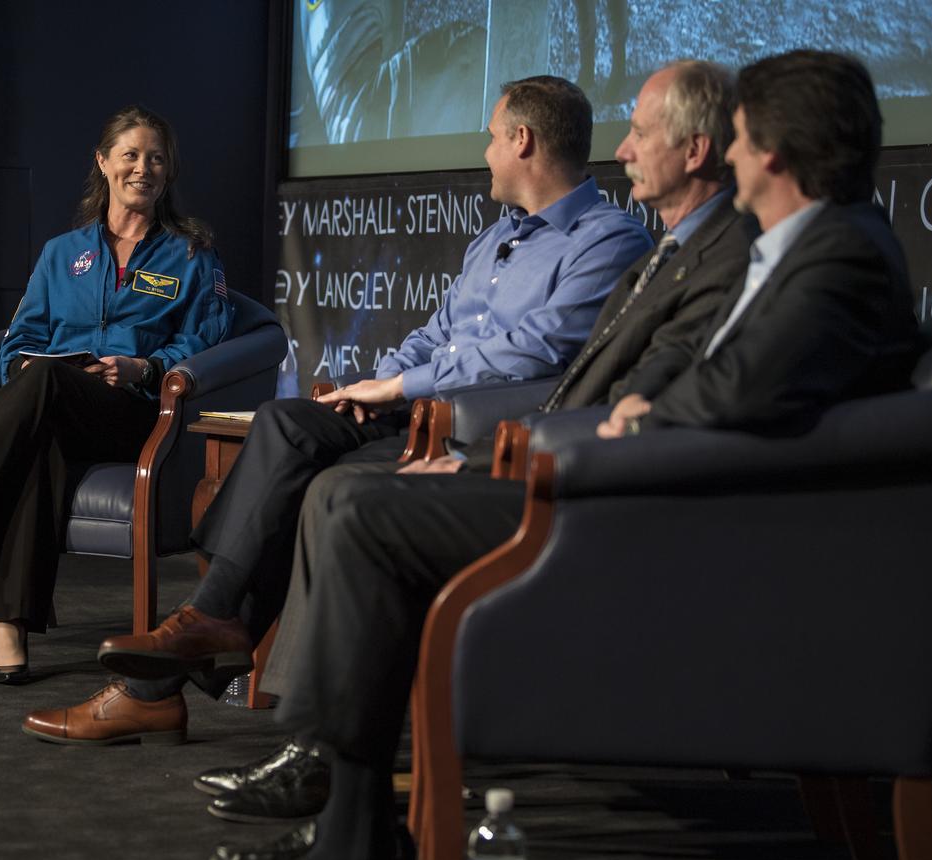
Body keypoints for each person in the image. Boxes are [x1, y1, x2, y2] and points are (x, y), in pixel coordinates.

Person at [189, 50, 921, 860]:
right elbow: (708, 382)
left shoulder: (835, 251)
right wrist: (596, 421)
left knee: (360, 507)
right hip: (620, 480)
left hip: (645, 521)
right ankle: (345, 815)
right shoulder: (788, 245)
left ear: (767, 149)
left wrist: (620, 420)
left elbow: (729, 397)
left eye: (737, 136)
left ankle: (343, 819)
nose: (723, 151)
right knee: (350, 494)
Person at [201, 59, 758, 817]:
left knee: (347, 495)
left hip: (558, 470)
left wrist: (477, 448)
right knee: (297, 429)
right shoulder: (660, 248)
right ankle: (241, 658)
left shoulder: (654, 246)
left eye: (637, 133)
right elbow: (493, 351)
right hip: (513, 439)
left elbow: (570, 370)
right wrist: (387, 386)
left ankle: (321, 757)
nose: (622, 151)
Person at [22, 75, 652, 742]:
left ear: (522, 140)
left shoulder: (606, 239)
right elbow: (433, 333)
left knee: (316, 484)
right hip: (412, 407)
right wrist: (375, 382)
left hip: (477, 426)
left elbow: (538, 351)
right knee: (286, 421)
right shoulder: (493, 239)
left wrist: (402, 388)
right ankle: (209, 628)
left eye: (492, 137)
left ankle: (183, 673)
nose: (486, 150)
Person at [0, 105, 234, 685]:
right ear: (104, 163)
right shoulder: (63, 253)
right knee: (36, 426)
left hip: (135, 412)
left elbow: (206, 342)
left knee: (41, 391)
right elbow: (18, 344)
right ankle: (8, 626)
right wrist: (35, 368)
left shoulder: (191, 253)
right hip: (52, 401)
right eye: (131, 155)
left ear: (169, 171)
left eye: (156, 158)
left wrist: (144, 366)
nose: (144, 168)